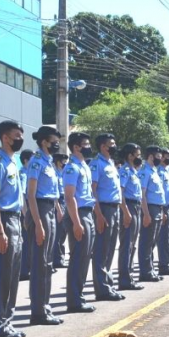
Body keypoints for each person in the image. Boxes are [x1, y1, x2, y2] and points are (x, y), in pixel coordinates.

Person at [0, 120, 27, 337]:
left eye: (21, 135)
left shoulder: (12, 162)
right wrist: (0, 231)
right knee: (2, 273)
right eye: (16, 136)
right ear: (5, 138)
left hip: (15, 220)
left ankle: (7, 321)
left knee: (12, 275)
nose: (20, 139)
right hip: (4, 222)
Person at [26, 127, 65, 324]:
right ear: (44, 142)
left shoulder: (49, 162)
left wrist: (57, 207)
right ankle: (38, 311)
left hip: (50, 208)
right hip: (40, 210)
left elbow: (54, 190)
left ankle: (45, 307)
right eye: (53, 141)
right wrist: (38, 223)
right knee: (40, 263)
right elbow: (31, 195)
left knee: (48, 263)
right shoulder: (36, 162)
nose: (56, 144)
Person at [62, 132, 98, 312]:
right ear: (76, 147)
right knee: (78, 257)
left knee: (85, 256)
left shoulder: (84, 166)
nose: (88, 147)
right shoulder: (71, 168)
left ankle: (79, 297)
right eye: (85, 144)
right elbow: (69, 197)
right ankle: (74, 300)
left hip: (87, 212)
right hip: (78, 214)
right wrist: (76, 222)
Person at [90, 133, 125, 302]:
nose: (114, 146)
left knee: (110, 248)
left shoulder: (111, 163)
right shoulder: (96, 164)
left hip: (115, 207)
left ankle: (108, 285)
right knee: (101, 250)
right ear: (103, 146)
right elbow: (93, 190)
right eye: (111, 143)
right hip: (104, 209)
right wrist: (98, 214)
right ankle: (102, 289)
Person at [117, 144, 145, 290]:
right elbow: (120, 192)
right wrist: (126, 212)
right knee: (126, 244)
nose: (139, 157)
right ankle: (124, 280)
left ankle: (130, 277)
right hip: (128, 207)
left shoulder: (134, 171)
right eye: (137, 154)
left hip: (136, 207)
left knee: (132, 244)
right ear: (130, 156)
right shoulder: (125, 171)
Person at [138, 146, 166, 283]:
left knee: (153, 240)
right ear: (150, 156)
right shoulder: (145, 172)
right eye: (158, 156)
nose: (160, 159)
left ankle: (150, 270)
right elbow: (142, 194)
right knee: (146, 241)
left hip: (158, 207)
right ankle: (145, 272)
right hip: (149, 208)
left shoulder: (154, 171)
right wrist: (146, 214)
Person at [18, 149, 35, 282]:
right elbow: (23, 196)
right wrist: (26, 214)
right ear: (26, 161)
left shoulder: (29, 173)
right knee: (26, 242)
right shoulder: (23, 175)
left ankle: (28, 268)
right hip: (26, 212)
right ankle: (24, 270)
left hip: (30, 211)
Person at [52, 153, 69, 269]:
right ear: (58, 161)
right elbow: (55, 195)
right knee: (57, 234)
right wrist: (59, 210)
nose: (65, 163)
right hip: (58, 203)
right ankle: (57, 259)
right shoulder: (54, 174)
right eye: (63, 161)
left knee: (63, 233)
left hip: (65, 203)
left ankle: (60, 257)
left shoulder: (63, 174)